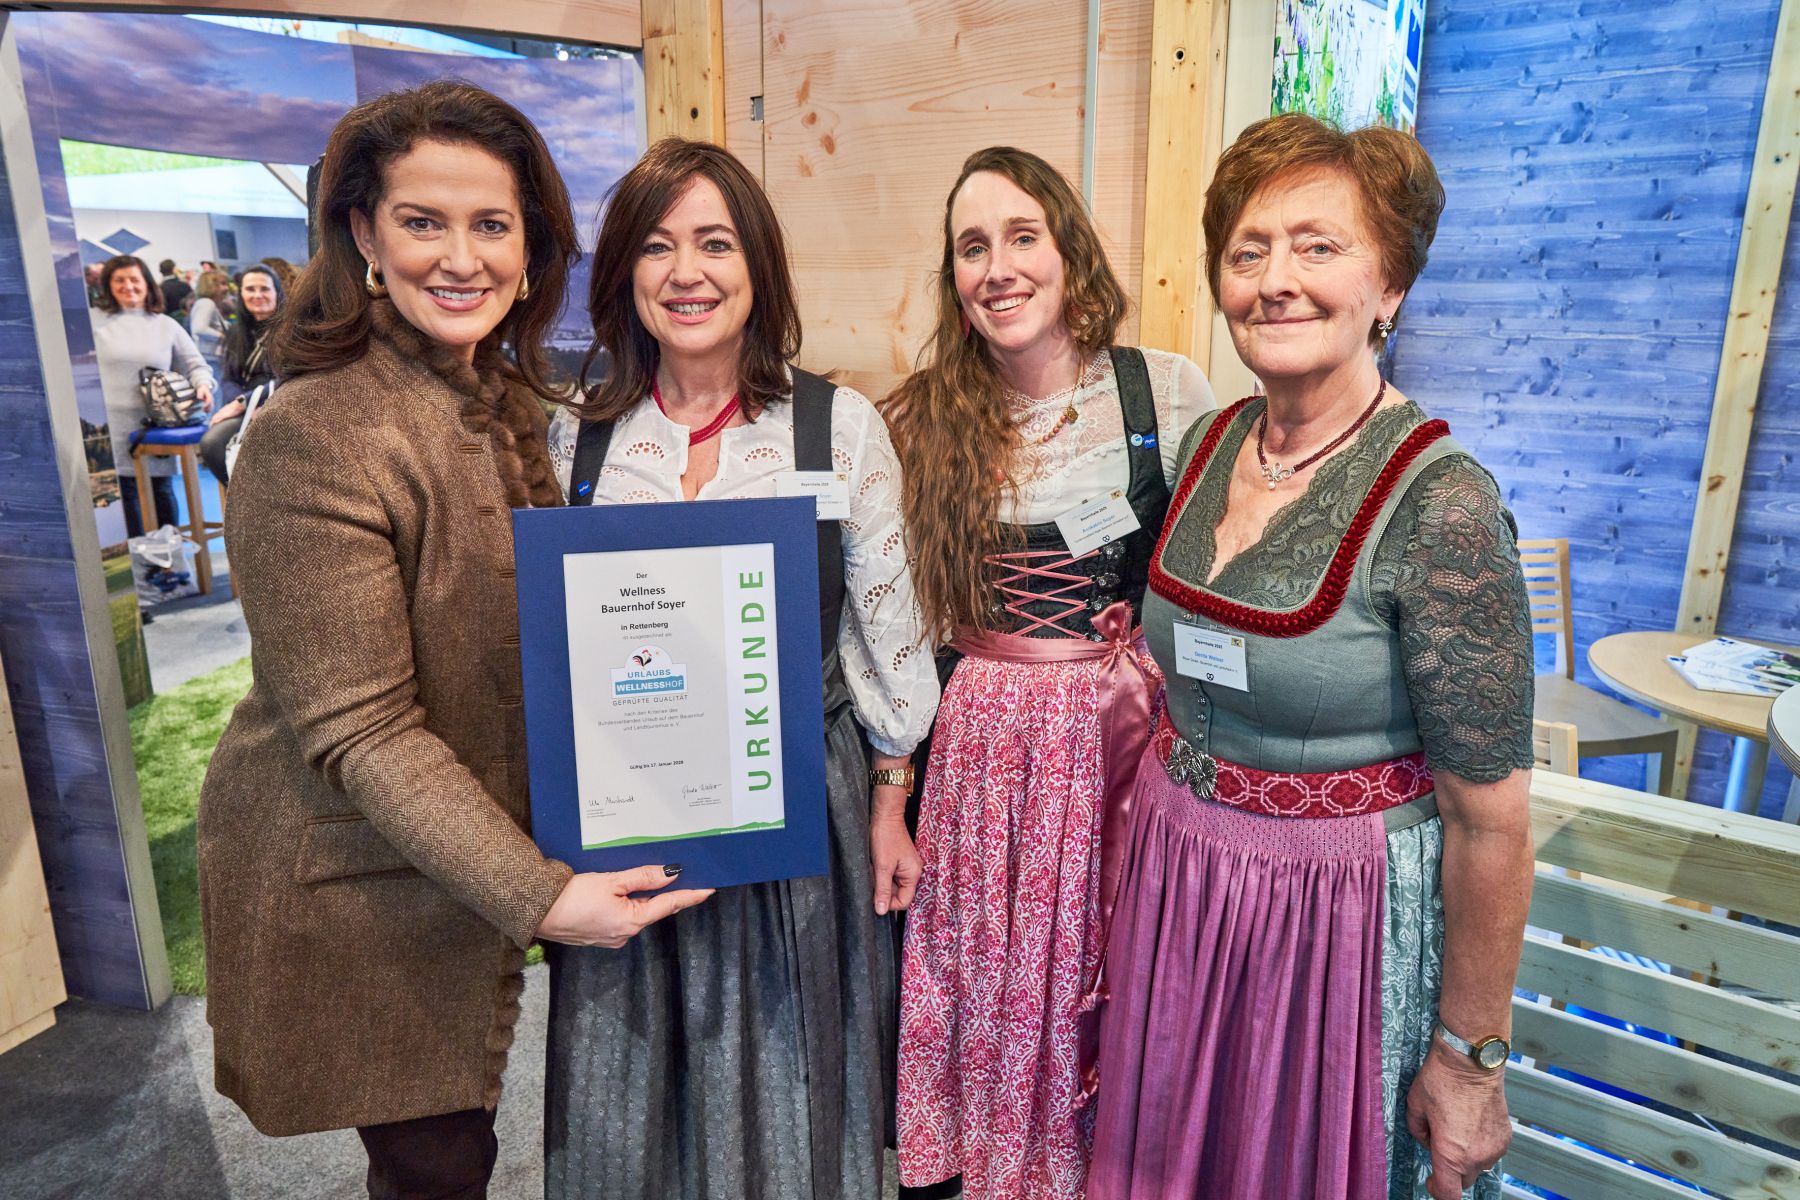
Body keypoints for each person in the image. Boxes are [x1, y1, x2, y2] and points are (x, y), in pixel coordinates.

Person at [195, 82, 712, 1200]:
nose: (461, 257)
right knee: (435, 1164)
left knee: (452, 1146)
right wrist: (542, 898)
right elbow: (362, 730)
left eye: (492, 224)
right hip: (357, 878)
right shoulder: (316, 433)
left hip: (450, 848)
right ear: (364, 236)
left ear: (531, 251)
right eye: (423, 221)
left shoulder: (503, 397)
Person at [1086, 113, 1535, 1200]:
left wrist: (1471, 1062)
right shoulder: (1210, 442)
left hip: (1331, 925)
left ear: (1391, 287)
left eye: (1318, 247)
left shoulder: (1445, 508)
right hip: (1181, 891)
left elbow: (1491, 821)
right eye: (1248, 252)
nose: (1276, 280)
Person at [541, 137, 940, 1200]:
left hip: (796, 792)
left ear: (757, 264)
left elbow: (888, 635)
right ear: (624, 272)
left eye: (715, 243)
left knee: (789, 1065)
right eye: (657, 246)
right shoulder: (579, 439)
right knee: (633, 1085)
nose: (688, 272)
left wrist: (891, 800)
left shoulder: (835, 427)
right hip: (629, 803)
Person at [884, 147, 1213, 1200]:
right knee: (990, 966)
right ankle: (989, 1168)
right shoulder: (922, 417)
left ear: (1068, 249)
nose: (999, 267)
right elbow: (898, 620)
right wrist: (892, 790)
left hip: (1121, 739)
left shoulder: (1164, 390)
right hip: (983, 749)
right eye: (972, 247)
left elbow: (1218, 575)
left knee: (1104, 962)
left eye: (1022, 236)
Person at [91, 253, 214, 537]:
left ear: (147, 283)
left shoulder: (165, 325)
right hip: (105, 428)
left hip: (156, 426)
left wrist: (203, 386)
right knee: (123, 496)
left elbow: (196, 366)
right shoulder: (91, 321)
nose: (128, 286)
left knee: (161, 490)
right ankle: (137, 559)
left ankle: (169, 558)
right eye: (119, 280)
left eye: (134, 279)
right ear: (108, 285)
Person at [199, 263, 282, 484]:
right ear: (241, 294)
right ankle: (244, 499)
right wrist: (241, 404)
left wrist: (243, 403)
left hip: (280, 403)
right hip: (246, 407)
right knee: (213, 443)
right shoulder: (236, 333)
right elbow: (228, 379)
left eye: (264, 289)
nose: (257, 295)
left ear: (276, 292)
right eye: (250, 289)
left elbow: (290, 377)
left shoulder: (293, 329)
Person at [187, 268, 234, 368]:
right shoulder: (207, 303)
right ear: (211, 285)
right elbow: (200, 329)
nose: (227, 288)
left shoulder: (205, 303)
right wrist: (223, 337)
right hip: (211, 359)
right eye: (223, 284)